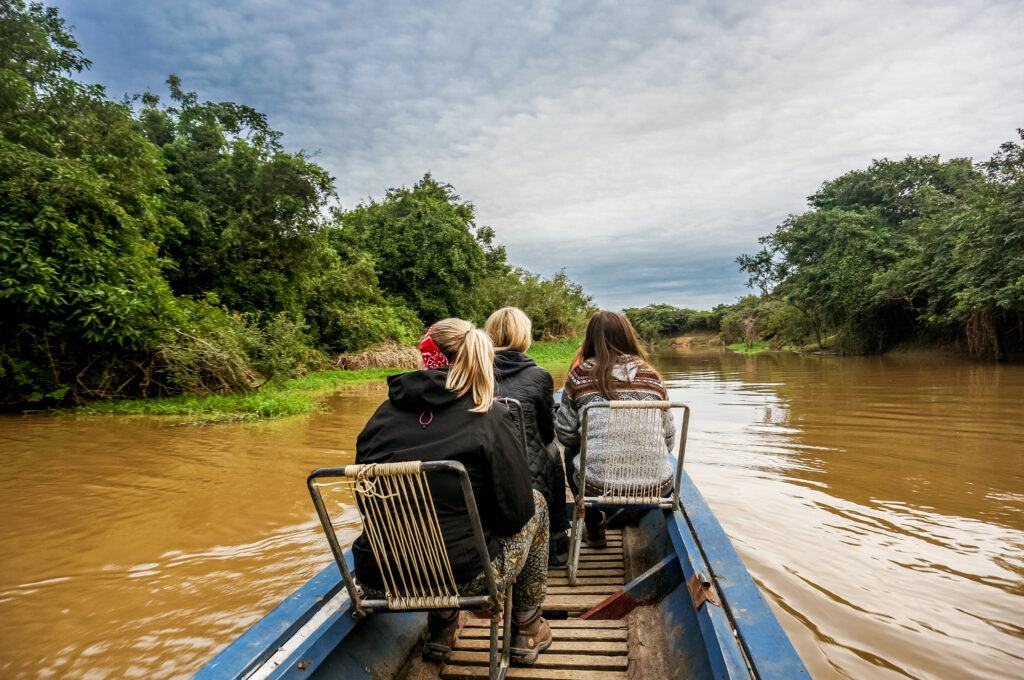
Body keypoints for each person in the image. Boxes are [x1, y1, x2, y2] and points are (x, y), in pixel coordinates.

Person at [352, 318, 553, 664]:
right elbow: (516, 515)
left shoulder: (379, 417)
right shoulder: (490, 416)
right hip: (467, 579)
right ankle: (527, 627)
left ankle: (441, 627)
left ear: (423, 358)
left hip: (382, 575)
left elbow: (367, 502)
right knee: (537, 504)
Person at [554, 311, 675, 548]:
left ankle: (594, 528)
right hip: (658, 487)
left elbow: (566, 436)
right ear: (628, 337)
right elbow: (668, 441)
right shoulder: (653, 376)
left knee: (571, 452)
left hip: (596, 488)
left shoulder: (579, 376)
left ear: (590, 339)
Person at [485, 307, 569, 566]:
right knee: (552, 451)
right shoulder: (539, 376)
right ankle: (556, 541)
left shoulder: (473, 373)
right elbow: (546, 432)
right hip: (528, 474)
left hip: (484, 467)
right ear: (524, 337)